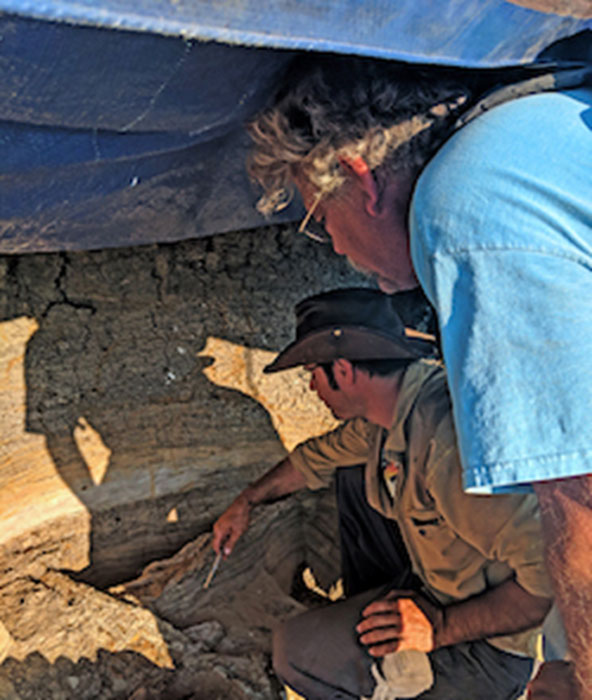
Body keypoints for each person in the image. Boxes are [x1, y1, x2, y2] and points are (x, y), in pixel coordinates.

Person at [246, 53, 592, 699]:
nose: (340, 251)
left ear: (359, 178)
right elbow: (328, 454)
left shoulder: (473, 207)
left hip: (492, 638)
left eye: (323, 224)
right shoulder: (537, 138)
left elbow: (582, 522)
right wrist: (248, 502)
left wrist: (442, 626)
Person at [213, 287, 552, 700]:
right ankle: (381, 619)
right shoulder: (389, 412)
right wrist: (246, 500)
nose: (310, 388)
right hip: (432, 588)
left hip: (485, 648)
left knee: (295, 652)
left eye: (312, 374)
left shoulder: (446, 448)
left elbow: (548, 580)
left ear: (343, 370)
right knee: (354, 474)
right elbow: (313, 460)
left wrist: (439, 627)